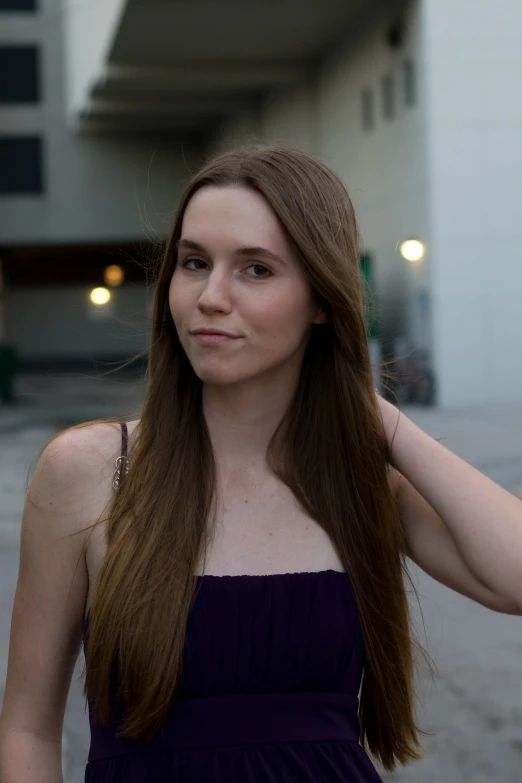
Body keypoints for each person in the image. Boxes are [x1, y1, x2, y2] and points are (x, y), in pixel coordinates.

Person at [1, 144, 521, 783]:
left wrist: (381, 419)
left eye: (255, 269)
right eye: (194, 263)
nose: (210, 297)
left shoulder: (364, 483)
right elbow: (25, 727)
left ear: (323, 300)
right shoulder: (90, 471)